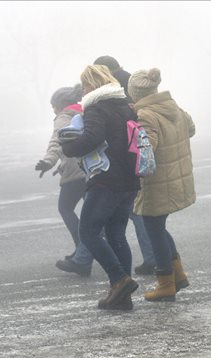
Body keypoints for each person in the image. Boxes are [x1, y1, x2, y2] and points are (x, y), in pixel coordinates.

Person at [61, 65, 140, 310]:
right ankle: (122, 297)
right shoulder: (125, 106)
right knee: (116, 235)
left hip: (105, 179)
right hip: (129, 179)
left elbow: (93, 137)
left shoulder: (96, 107)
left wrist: (69, 148)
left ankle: (119, 280)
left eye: (85, 85)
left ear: (92, 85)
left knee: (89, 232)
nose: (83, 90)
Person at [127, 68, 196, 302]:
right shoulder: (172, 106)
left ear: (134, 93)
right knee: (158, 227)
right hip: (176, 176)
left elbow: (148, 149)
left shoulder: (145, 114)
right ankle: (178, 275)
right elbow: (192, 128)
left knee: (153, 228)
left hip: (156, 183)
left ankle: (166, 283)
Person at [93, 55, 156, 275]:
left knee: (130, 216)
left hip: (123, 163)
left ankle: (150, 259)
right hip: (133, 162)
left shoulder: (113, 88)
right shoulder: (129, 82)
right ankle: (153, 257)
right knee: (134, 214)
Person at [35, 84, 93, 277]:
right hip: (91, 169)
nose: (53, 109)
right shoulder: (85, 112)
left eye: (54, 105)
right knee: (92, 214)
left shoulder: (63, 117)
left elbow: (57, 141)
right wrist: (61, 165)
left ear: (61, 104)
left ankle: (82, 249)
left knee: (65, 208)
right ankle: (83, 252)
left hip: (75, 174)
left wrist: (48, 161)